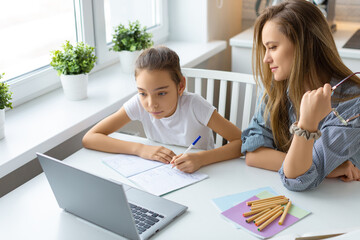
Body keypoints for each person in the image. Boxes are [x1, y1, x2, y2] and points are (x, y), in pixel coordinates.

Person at [241, 0, 360, 191]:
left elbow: (298, 179)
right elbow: (254, 154)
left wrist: (307, 123)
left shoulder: (352, 101)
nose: (266, 58)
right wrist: (321, 168)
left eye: (272, 47)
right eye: (265, 48)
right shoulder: (277, 88)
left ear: (304, 47)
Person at [82, 46, 242, 173]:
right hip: (162, 174)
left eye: (162, 93)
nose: (151, 104)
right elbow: (90, 138)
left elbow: (242, 142)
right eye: (142, 93)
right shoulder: (139, 103)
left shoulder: (195, 105)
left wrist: (200, 158)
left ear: (180, 86)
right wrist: (140, 149)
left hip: (203, 173)